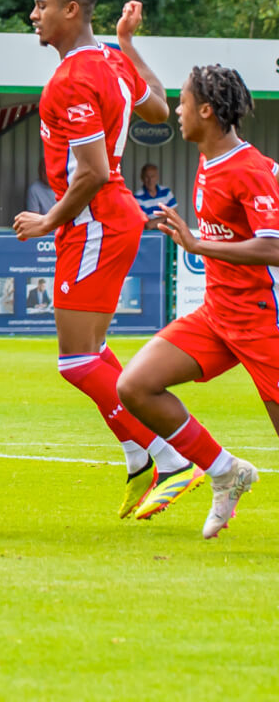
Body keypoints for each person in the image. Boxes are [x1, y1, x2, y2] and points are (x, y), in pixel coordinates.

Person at [13, 0, 200, 520]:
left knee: (75, 362)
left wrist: (50, 222)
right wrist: (127, 43)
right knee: (87, 354)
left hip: (94, 216)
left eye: (42, 4)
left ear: (71, 10)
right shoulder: (112, 61)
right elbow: (160, 110)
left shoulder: (70, 79)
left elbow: (91, 171)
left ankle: (169, 454)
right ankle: (141, 452)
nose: (34, 14)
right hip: (108, 215)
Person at [117, 65, 269, 538]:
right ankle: (225, 472)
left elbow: (275, 246)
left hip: (266, 323)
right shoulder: (208, 160)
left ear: (206, 110)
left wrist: (199, 244)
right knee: (134, 386)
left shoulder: (253, 170)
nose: (176, 110)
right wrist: (127, 45)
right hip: (217, 316)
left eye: (183, 102)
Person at [133, 163, 176, 229]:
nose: (150, 180)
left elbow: (174, 215)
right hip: (150, 236)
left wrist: (154, 222)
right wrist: (166, 217)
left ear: (157, 177)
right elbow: (147, 225)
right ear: (142, 178)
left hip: (168, 234)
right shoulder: (137, 197)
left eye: (152, 176)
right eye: (147, 177)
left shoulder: (166, 192)